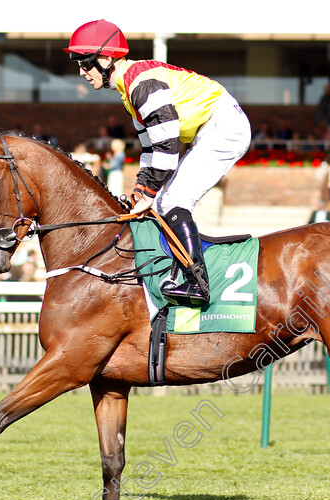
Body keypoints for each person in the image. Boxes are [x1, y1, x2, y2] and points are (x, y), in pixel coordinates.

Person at [65, 19, 251, 307]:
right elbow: (151, 148)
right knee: (162, 201)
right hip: (211, 128)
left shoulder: (142, 85)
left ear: (105, 58)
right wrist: (141, 188)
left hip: (223, 126)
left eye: (85, 62)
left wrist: (148, 193)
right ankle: (181, 270)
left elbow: (167, 147)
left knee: (171, 200)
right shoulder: (129, 90)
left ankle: (197, 283)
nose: (81, 72)